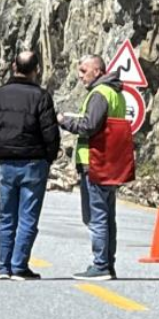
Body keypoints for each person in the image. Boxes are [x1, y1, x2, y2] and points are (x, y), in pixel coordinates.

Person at [0, 50, 61, 281]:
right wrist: (49, 157)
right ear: (36, 70)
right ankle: (19, 266)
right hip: (34, 163)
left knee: (6, 216)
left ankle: (3, 267)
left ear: (12, 66)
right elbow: (50, 132)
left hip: (6, 162)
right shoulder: (41, 97)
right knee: (28, 217)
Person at [58, 55, 135, 281]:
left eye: (84, 70)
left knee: (96, 216)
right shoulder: (116, 93)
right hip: (110, 161)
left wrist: (65, 121)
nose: (80, 75)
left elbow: (90, 125)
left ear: (98, 71)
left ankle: (100, 264)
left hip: (95, 161)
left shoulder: (100, 94)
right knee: (107, 215)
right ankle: (107, 263)